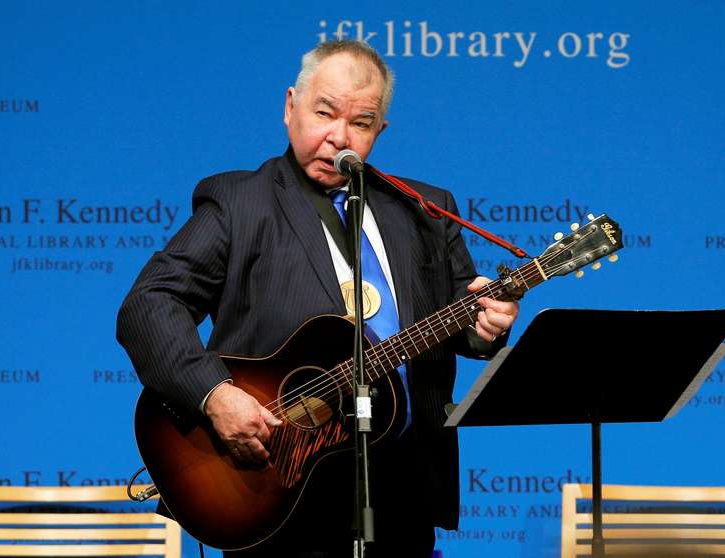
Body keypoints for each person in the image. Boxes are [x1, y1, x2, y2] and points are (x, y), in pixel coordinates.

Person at [117, 40, 519, 557]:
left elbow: (463, 322)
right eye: (324, 112)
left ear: (379, 131)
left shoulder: (426, 209)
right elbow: (148, 305)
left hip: (403, 489)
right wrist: (215, 394)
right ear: (291, 107)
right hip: (276, 486)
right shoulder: (240, 202)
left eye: (361, 122)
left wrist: (488, 323)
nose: (338, 137)